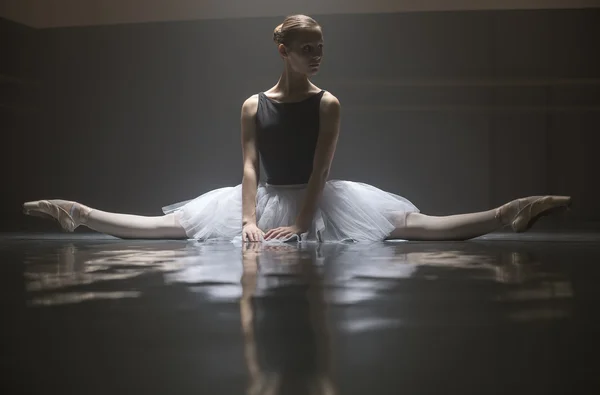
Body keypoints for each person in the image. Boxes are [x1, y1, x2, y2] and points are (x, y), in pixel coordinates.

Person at [23, 15, 571, 243]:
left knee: (410, 223)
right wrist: (247, 220)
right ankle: (80, 212)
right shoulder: (251, 104)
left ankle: (508, 212)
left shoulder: (328, 102)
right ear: (284, 52)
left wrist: (306, 221)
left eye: (321, 50)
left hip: (317, 196)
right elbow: (248, 165)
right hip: (260, 198)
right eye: (308, 51)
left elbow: (321, 167)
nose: (317, 58)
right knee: (170, 229)